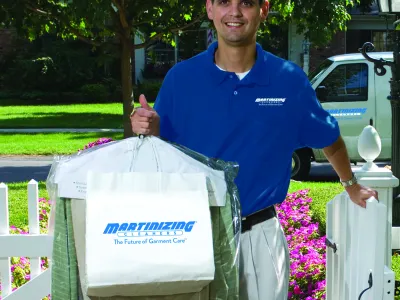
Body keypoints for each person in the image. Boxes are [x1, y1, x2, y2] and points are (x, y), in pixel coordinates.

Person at [130, 0, 378, 299]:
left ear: (263, 10)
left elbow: (329, 137)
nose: (234, 12)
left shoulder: (288, 79)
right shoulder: (181, 79)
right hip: (192, 234)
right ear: (210, 9)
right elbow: (162, 147)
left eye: (245, 3)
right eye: (224, 2)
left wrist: (350, 184)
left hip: (258, 235)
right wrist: (148, 127)